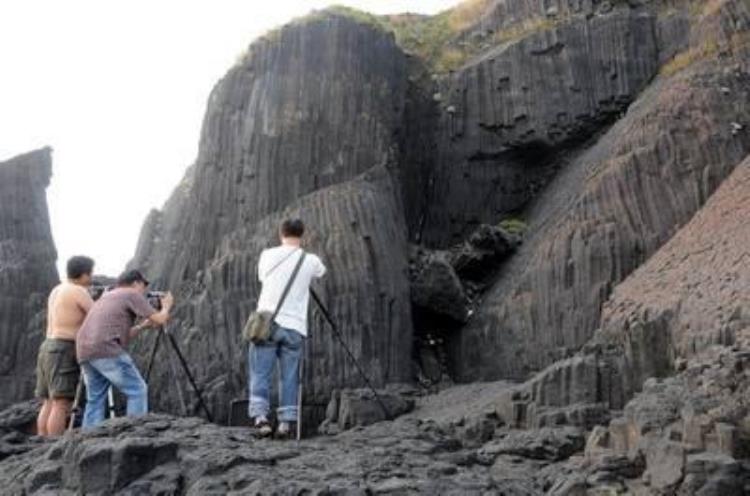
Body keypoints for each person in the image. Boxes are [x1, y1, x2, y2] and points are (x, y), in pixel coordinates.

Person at [250, 218, 326, 438]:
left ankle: (261, 419)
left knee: (260, 371)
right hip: (294, 326)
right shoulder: (310, 260)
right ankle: (285, 424)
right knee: (289, 376)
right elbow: (321, 272)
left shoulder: (267, 255)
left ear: (280, 233)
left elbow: (262, 277)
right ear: (303, 235)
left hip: (267, 322)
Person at [76, 269, 174, 428]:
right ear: (135, 283)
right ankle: (134, 432)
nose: (145, 290)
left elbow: (121, 335)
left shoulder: (107, 297)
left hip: (85, 351)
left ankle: (88, 437)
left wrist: (142, 326)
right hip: (106, 350)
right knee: (137, 390)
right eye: (144, 285)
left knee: (95, 398)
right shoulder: (131, 294)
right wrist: (167, 306)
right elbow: (161, 319)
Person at [35, 256, 95, 436]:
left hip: (47, 346)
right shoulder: (78, 291)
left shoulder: (57, 289)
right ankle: (55, 446)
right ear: (83, 274)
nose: (92, 277)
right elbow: (97, 314)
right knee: (61, 403)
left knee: (48, 401)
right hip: (63, 348)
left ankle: (42, 444)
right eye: (90, 273)